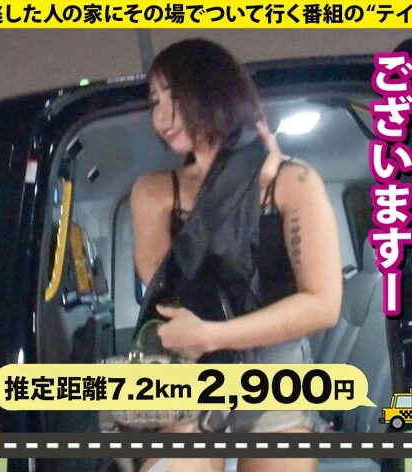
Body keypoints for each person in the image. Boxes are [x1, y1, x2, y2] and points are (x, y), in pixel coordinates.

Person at [131, 38, 342, 472]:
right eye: (155, 102)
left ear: (216, 91)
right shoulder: (153, 192)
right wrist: (237, 193)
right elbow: (172, 297)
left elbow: (323, 305)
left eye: (175, 97)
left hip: (277, 370)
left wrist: (252, 187)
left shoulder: (293, 181)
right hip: (190, 368)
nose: (162, 117)